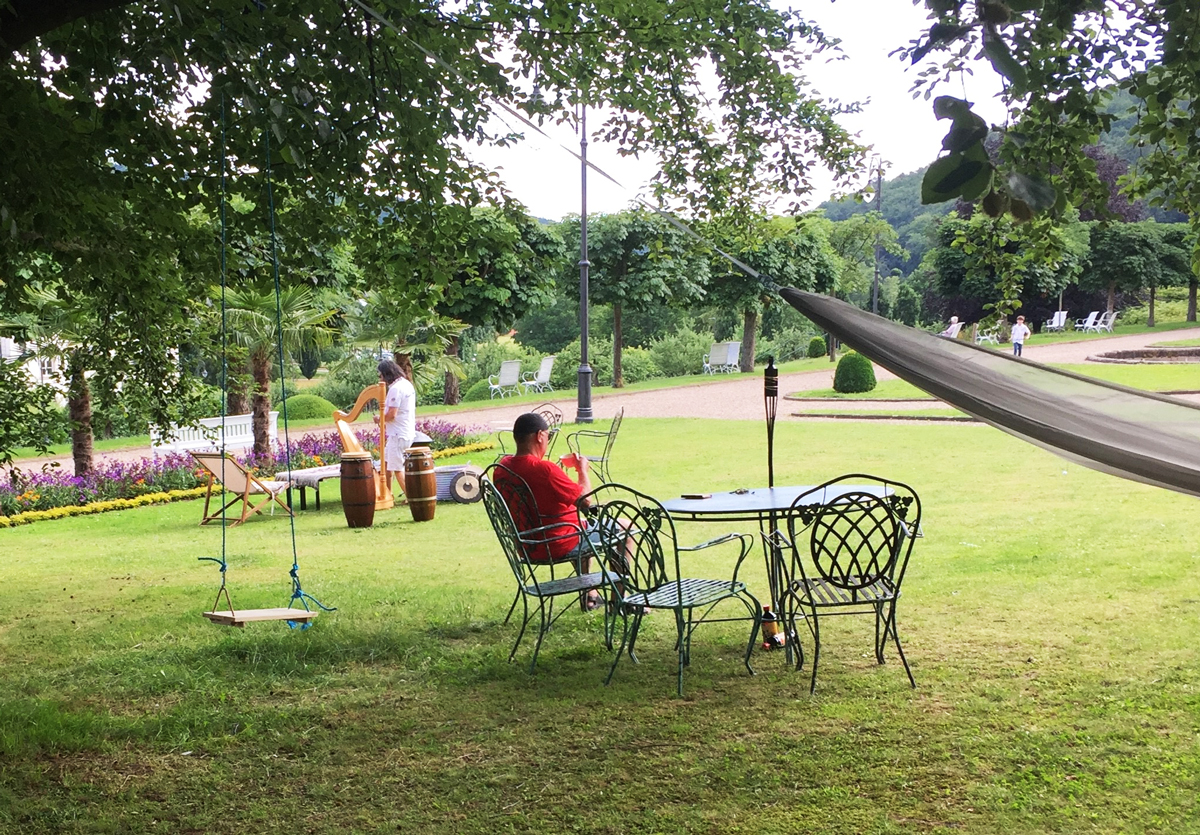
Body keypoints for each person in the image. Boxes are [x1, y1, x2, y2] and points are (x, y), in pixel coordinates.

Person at [496, 412, 608, 609]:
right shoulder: (545, 470)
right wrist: (582, 470)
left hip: (526, 545)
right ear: (540, 436)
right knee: (625, 528)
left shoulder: (501, 468)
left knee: (581, 529)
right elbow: (586, 501)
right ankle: (622, 599)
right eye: (547, 436)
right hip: (555, 543)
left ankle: (590, 595)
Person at [374, 358, 416, 500]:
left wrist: (379, 419)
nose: (380, 379)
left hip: (398, 434)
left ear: (387, 374)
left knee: (398, 469)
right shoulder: (406, 384)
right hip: (405, 432)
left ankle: (412, 499)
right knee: (386, 464)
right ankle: (387, 493)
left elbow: (392, 415)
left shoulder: (395, 389)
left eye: (381, 375)